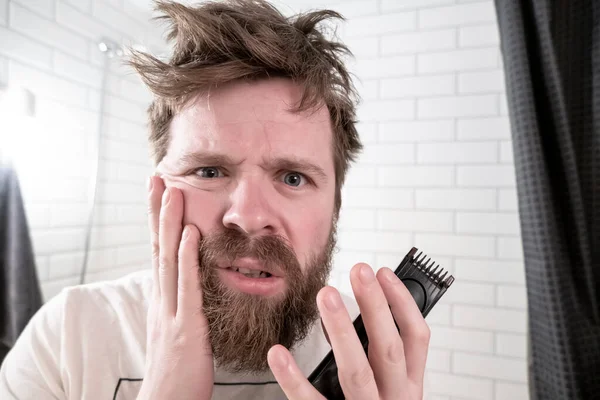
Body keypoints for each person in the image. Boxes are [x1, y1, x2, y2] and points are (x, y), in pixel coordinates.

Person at [0, 0, 432, 399]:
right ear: (158, 194)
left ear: (335, 206)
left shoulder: (371, 354)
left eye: (294, 177)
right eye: (208, 171)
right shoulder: (64, 337)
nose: (248, 216)